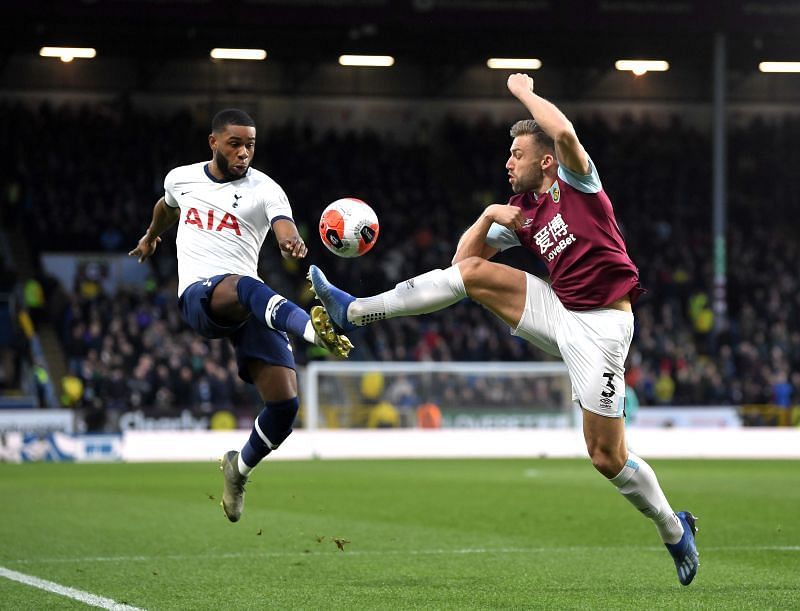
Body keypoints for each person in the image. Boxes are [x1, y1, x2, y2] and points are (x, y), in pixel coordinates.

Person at [308, 75, 699, 585]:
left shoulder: (578, 185)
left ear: (545, 161)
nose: (507, 162)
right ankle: (353, 311)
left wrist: (523, 92)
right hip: (559, 307)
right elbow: (461, 266)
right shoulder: (524, 213)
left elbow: (563, 131)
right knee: (470, 277)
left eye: (517, 153)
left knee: (606, 456)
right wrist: (490, 215)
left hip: (602, 329)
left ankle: (674, 529)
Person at [129, 108, 353, 523]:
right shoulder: (182, 178)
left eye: (251, 144)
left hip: (246, 303)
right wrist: (150, 237)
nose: (244, 151)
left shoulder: (266, 188)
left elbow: (283, 225)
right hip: (200, 296)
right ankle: (314, 331)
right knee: (246, 284)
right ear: (213, 142)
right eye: (235, 143)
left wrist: (291, 244)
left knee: (285, 407)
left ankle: (239, 469)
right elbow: (166, 206)